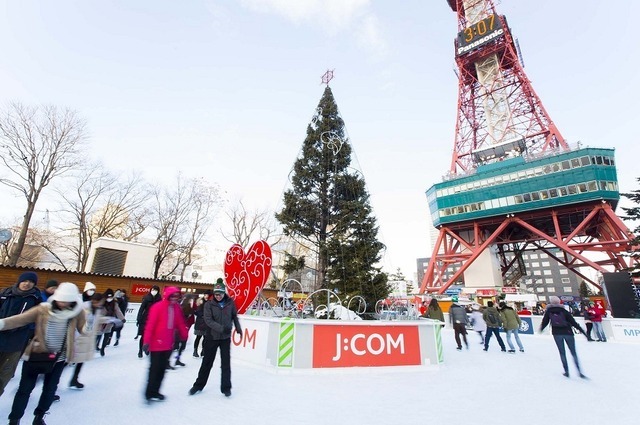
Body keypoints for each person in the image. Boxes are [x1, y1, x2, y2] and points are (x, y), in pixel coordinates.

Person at [0, 282, 85, 425]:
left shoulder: (78, 312)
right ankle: (14, 419)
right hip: (36, 355)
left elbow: (84, 329)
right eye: (61, 299)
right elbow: (21, 319)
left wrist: (90, 326)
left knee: (49, 390)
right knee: (24, 389)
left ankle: (39, 417)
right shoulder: (43, 309)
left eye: (67, 300)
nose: (63, 303)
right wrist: (2, 323)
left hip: (58, 358)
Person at [189, 279, 242, 397]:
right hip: (212, 337)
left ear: (224, 293)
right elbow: (208, 320)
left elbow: (234, 316)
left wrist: (238, 328)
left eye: (220, 294)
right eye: (216, 294)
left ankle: (226, 388)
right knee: (207, 362)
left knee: (225, 363)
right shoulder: (209, 304)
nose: (218, 296)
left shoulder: (230, 303)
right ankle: (198, 385)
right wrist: (221, 328)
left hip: (225, 338)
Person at [142, 286, 188, 402]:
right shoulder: (157, 307)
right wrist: (146, 341)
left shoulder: (176, 308)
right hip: (156, 344)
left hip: (168, 344)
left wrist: (184, 334)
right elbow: (150, 325)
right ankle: (149, 392)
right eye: (172, 296)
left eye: (176, 296)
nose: (174, 298)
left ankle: (156, 391)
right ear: (167, 296)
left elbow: (180, 322)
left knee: (162, 370)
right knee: (154, 369)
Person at [0, 271, 42, 398]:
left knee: (5, 373)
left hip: (16, 342)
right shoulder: (5, 294)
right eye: (25, 281)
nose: (27, 284)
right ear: (19, 281)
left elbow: (38, 319)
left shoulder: (36, 299)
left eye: (31, 282)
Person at [540, 295, 588, 378]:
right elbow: (573, 322)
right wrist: (583, 332)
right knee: (573, 353)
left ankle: (566, 371)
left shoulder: (549, 311)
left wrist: (541, 329)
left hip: (557, 333)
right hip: (568, 332)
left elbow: (545, 322)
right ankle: (579, 371)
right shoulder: (564, 311)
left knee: (562, 353)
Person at [68, 293, 107, 389]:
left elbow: (96, 320)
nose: (101, 304)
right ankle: (52, 383)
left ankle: (74, 379)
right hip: (78, 337)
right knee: (66, 361)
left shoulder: (97, 310)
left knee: (80, 361)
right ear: (95, 301)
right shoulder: (83, 307)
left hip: (86, 338)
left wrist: (108, 319)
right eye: (100, 302)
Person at [96, 288, 125, 357]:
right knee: (98, 335)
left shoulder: (114, 303)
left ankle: (103, 348)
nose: (109, 298)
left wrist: (122, 318)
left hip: (109, 322)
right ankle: (96, 346)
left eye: (111, 297)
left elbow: (118, 311)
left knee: (106, 335)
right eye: (108, 297)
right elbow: (97, 312)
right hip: (101, 321)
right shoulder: (101, 302)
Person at [136, 285, 161, 356]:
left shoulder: (159, 299)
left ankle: (148, 348)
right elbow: (141, 309)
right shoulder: (147, 298)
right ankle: (140, 350)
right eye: (153, 290)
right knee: (143, 336)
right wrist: (139, 319)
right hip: (145, 319)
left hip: (155, 320)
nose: (154, 291)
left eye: (155, 290)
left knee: (152, 336)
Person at [192, 291, 212, 357]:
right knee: (198, 337)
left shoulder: (210, 302)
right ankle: (195, 351)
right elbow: (196, 311)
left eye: (208, 295)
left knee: (205, 338)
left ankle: (203, 351)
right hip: (200, 322)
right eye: (206, 294)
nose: (207, 296)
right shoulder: (200, 301)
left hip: (206, 323)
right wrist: (203, 315)